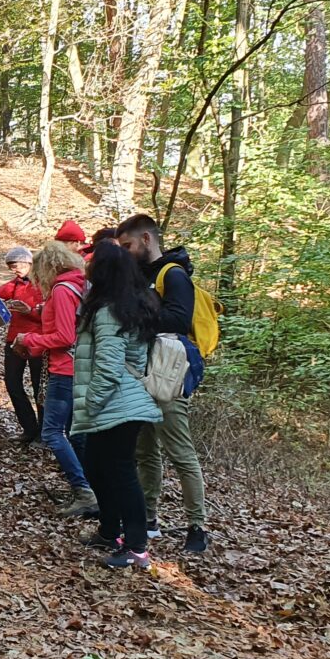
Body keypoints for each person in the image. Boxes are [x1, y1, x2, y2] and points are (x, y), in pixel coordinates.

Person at [117, 213, 210, 555]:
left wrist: (134, 318)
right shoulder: (141, 277)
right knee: (144, 451)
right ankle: (149, 518)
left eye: (128, 245)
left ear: (146, 240)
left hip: (169, 373)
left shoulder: (174, 275)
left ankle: (197, 527)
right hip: (143, 372)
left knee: (179, 450)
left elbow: (178, 320)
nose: (125, 252)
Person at [72, 241, 164, 569]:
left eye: (93, 263)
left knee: (121, 471)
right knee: (97, 466)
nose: (87, 267)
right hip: (121, 403)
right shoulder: (127, 305)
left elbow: (109, 367)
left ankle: (137, 548)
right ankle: (110, 531)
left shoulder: (110, 311)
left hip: (117, 405)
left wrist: (91, 404)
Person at [14, 242, 96, 518]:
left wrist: (29, 339)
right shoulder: (78, 283)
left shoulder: (62, 290)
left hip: (65, 369)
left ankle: (83, 490)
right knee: (76, 433)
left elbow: (64, 337)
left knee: (52, 432)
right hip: (81, 367)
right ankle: (92, 488)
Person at [0, 245, 45, 444]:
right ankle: (29, 428)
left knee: (38, 388)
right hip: (14, 341)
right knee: (12, 384)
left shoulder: (44, 284)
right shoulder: (14, 285)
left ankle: (43, 432)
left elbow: (50, 315)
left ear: (28, 262)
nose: (14, 270)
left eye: (16, 265)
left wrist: (29, 311)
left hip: (38, 341)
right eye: (11, 267)